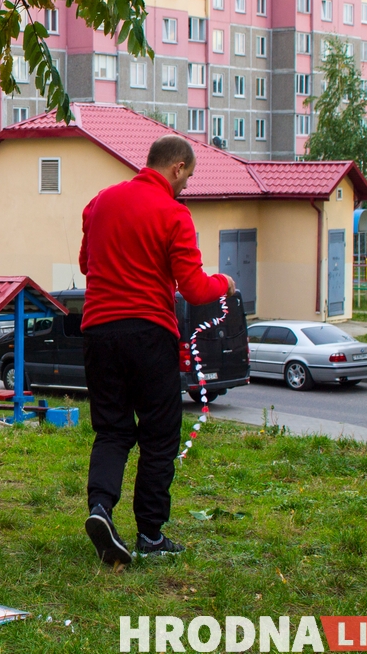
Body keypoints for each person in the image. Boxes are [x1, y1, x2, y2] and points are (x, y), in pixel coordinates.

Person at [79, 135, 236, 564]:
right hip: (149, 332)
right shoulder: (174, 213)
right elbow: (196, 288)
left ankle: (100, 510)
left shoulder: (99, 203)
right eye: (188, 176)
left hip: (97, 331)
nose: (186, 185)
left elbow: (85, 264)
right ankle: (150, 534)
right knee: (159, 434)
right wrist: (227, 283)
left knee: (111, 430)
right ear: (178, 167)